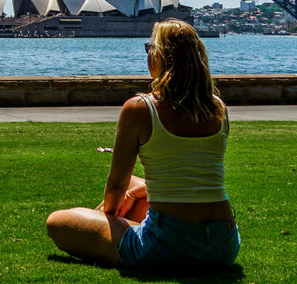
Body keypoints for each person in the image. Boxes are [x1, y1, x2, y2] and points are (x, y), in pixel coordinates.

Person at [46, 18, 240, 270]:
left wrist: (107, 220)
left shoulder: (140, 108)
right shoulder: (218, 108)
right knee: (136, 186)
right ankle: (148, 224)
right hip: (223, 245)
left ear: (159, 57)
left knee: (56, 222)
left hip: (166, 247)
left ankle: (140, 232)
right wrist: (135, 192)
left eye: (150, 48)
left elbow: (115, 186)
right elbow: (186, 177)